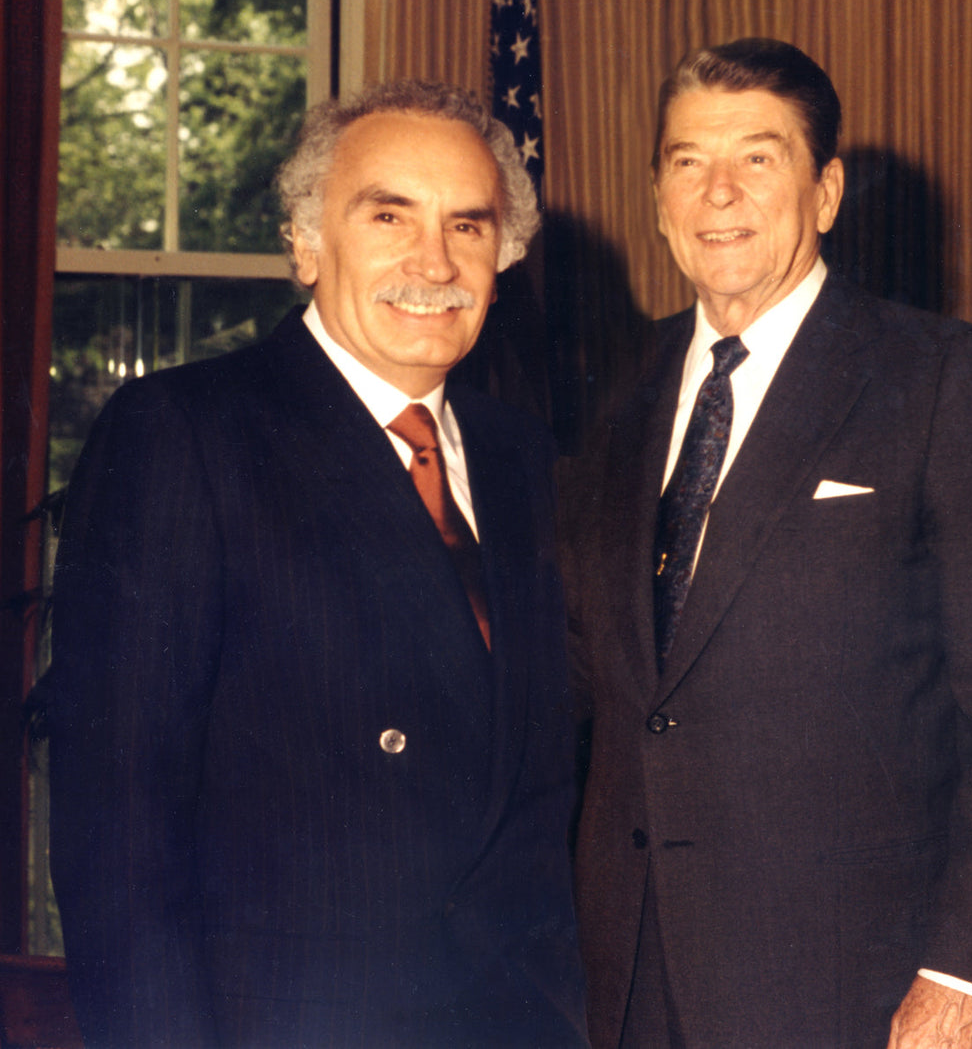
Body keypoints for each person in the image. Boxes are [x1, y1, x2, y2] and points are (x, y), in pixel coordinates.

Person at [49, 80, 588, 1048]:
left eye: (467, 227)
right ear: (306, 244)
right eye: (389, 215)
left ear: (502, 262)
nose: (433, 262)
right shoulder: (184, 435)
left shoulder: (527, 463)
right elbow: (118, 832)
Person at [565, 39, 972, 1049]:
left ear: (826, 190)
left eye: (756, 159)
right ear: (658, 197)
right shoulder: (610, 399)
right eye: (685, 162)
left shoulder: (941, 381)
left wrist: (964, 979)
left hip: (860, 989)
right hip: (624, 985)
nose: (717, 194)